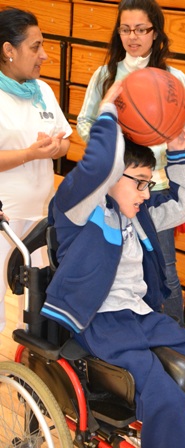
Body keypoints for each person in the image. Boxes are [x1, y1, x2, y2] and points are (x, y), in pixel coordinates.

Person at [41, 81, 185, 448]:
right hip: (101, 321)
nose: (146, 193)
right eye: (140, 183)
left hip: (141, 316)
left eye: (149, 184)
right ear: (112, 177)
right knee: (165, 397)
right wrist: (109, 109)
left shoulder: (138, 213)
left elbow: (183, 206)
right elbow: (101, 163)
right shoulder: (80, 209)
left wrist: (178, 154)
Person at [76, 0, 185, 326]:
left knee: (162, 267)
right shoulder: (105, 75)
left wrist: (156, 146)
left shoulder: (173, 78)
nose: (132, 36)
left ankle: (175, 343)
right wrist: (115, 147)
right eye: (125, 29)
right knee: (111, 264)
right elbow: (84, 123)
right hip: (110, 190)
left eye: (141, 29)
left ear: (155, 33)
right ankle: (118, 336)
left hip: (155, 190)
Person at [0, 7, 72, 333]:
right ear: (8, 50)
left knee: (35, 307)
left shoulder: (42, 90)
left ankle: (24, 374)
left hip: (40, 217)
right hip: (4, 217)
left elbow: (66, 142)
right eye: (35, 46)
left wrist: (55, 148)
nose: (44, 55)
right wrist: (29, 153)